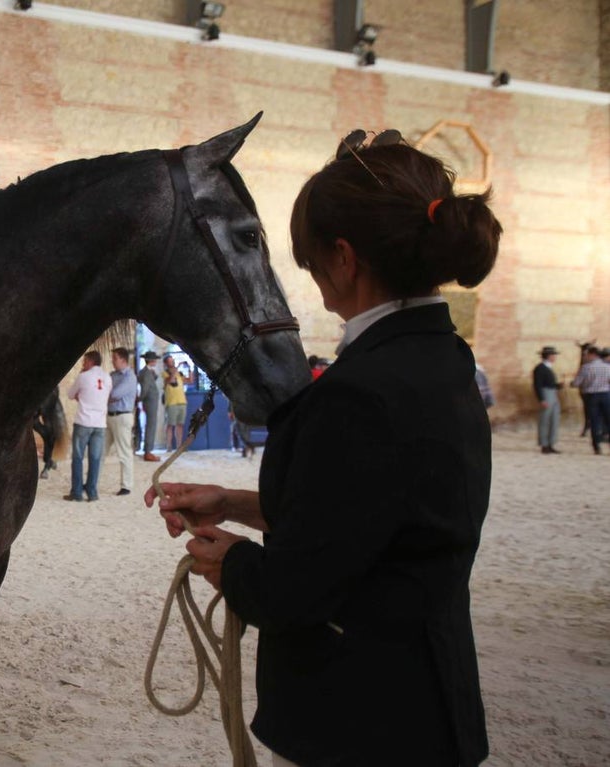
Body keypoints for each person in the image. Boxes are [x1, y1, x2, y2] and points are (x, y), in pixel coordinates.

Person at [147, 129, 501, 766]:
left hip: (360, 722)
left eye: (310, 263)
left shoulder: (360, 391)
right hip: (423, 703)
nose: (312, 281)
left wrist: (229, 562)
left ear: (343, 258)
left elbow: (294, 593)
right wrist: (234, 501)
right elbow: (367, 515)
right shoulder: (439, 358)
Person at [63, 350, 111, 502]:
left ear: (91, 361)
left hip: (83, 421)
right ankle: (92, 492)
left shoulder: (83, 377)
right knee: (95, 459)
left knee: (77, 458)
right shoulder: (107, 377)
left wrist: (80, 395)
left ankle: (77, 492)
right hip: (100, 423)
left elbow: (70, 394)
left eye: (85, 361)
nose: (83, 364)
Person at [106, 347, 136, 496]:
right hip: (109, 416)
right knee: (99, 451)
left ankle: (127, 485)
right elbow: (106, 393)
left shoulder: (130, 377)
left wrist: (106, 396)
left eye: (114, 358)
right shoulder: (112, 375)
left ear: (123, 360)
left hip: (122, 416)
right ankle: (92, 484)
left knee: (124, 452)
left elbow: (115, 394)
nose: (112, 361)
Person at [570, 344, 610, 454]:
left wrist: (572, 384)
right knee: (608, 419)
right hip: (606, 394)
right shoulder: (607, 367)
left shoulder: (586, 367)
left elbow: (577, 383)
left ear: (593, 355)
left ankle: (596, 446)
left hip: (591, 396)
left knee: (594, 421)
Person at [533, 345, 562, 454]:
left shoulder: (548, 368)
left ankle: (551, 442)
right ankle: (544, 444)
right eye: (553, 355)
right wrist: (541, 399)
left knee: (554, 419)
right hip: (546, 394)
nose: (555, 357)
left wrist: (558, 385)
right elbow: (537, 385)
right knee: (544, 420)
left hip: (552, 393)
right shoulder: (540, 368)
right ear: (549, 356)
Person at [138, 351, 162, 462]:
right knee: (151, 425)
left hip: (149, 400)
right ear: (151, 360)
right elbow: (146, 388)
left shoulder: (147, 371)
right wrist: (140, 398)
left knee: (150, 424)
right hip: (150, 401)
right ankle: (148, 451)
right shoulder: (147, 372)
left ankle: (147, 449)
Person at [161, 354, 187, 451]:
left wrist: (190, 369)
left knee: (180, 424)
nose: (172, 363)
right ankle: (168, 446)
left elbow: (190, 380)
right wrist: (176, 369)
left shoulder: (179, 373)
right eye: (170, 361)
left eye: (173, 361)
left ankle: (179, 446)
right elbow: (170, 380)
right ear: (166, 363)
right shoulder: (165, 373)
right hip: (171, 402)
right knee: (170, 424)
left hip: (182, 401)